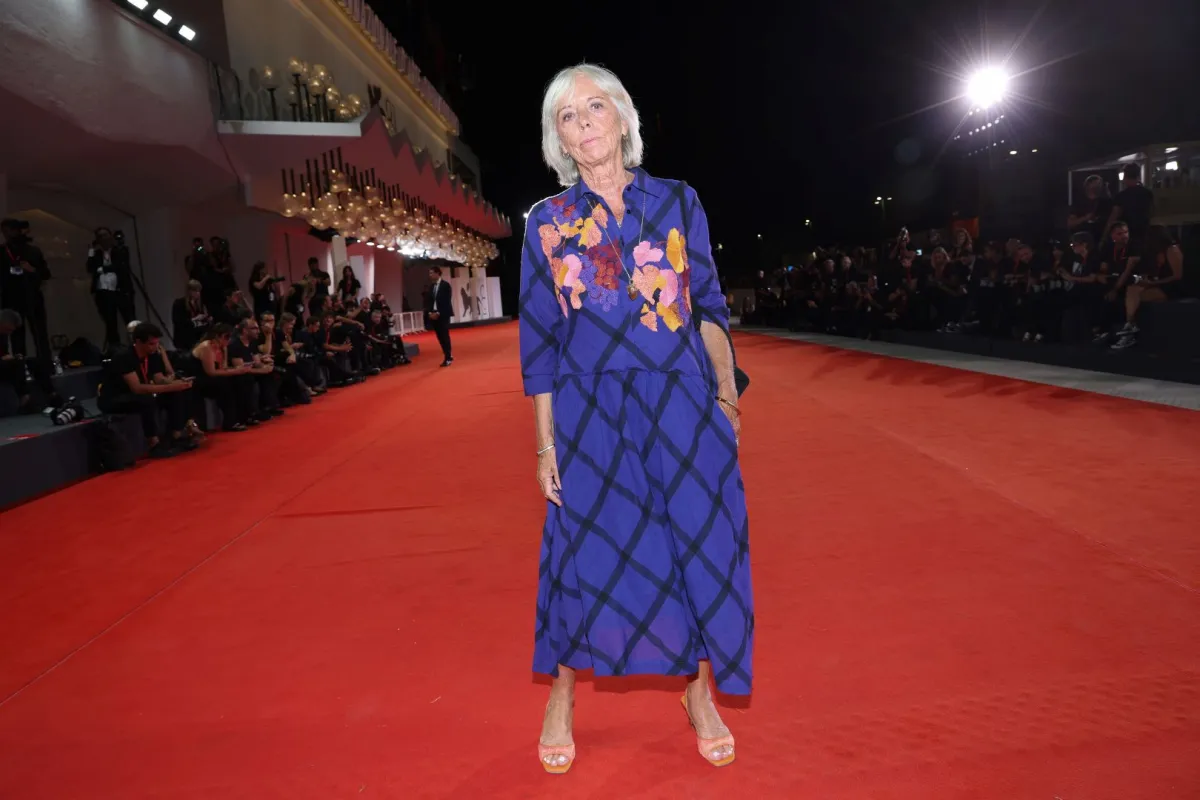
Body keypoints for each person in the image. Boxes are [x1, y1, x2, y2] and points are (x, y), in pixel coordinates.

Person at [519, 64, 752, 774]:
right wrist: (543, 446)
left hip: (682, 406)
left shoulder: (679, 201)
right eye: (567, 114)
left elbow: (709, 307)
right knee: (578, 554)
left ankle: (698, 693)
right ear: (557, 138)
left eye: (596, 106)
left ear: (622, 118)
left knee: (694, 545)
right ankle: (561, 695)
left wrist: (726, 399)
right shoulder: (546, 223)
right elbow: (540, 343)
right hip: (591, 415)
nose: (584, 120)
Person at [96, 323, 196, 458]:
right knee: (146, 399)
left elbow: (159, 378)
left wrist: (178, 383)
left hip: (136, 393)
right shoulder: (124, 357)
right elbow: (136, 388)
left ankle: (176, 435)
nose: (155, 347)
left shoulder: (152, 354)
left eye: (156, 343)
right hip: (114, 398)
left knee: (178, 392)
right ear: (138, 342)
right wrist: (170, 386)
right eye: (151, 344)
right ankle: (153, 444)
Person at [1111, 226, 1186, 350]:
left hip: (1173, 286)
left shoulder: (1172, 249)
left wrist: (1153, 283)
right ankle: (1130, 324)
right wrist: (1146, 279)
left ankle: (1130, 327)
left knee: (1140, 296)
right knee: (1132, 288)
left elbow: (1178, 276)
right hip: (1159, 283)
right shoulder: (1154, 252)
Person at [0, 218, 52, 360]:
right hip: (12, 299)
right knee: (16, 336)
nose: (6, 234)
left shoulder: (33, 251)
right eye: (4, 231)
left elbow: (46, 274)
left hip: (32, 297)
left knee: (39, 333)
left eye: (9, 230)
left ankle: (46, 366)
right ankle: (20, 368)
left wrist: (32, 270)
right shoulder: (2, 251)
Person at [191, 323, 254, 432]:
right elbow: (211, 372)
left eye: (229, 337)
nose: (228, 340)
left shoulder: (221, 347)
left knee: (241, 380)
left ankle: (244, 416)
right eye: (226, 337)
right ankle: (230, 422)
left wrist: (237, 369)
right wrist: (235, 371)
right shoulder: (207, 346)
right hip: (200, 378)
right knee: (226, 385)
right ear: (217, 336)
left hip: (214, 377)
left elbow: (223, 367)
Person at [87, 227, 136, 352]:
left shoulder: (120, 250)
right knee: (110, 323)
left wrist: (103, 269)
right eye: (100, 236)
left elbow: (120, 266)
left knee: (129, 320)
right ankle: (116, 350)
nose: (103, 238)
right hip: (104, 293)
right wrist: (91, 250)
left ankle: (136, 346)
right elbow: (90, 267)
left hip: (120, 291)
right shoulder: (97, 254)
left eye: (105, 235)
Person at [172, 279, 213, 351]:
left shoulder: (199, 304)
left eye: (199, 291)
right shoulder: (179, 303)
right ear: (189, 291)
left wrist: (207, 319)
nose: (198, 293)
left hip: (198, 338)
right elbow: (178, 321)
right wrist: (195, 319)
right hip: (184, 339)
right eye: (196, 291)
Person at [425, 266, 453, 366]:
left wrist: (438, 313)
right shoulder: (431, 287)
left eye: (432, 273)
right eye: (430, 273)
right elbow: (428, 301)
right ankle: (446, 354)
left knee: (444, 335)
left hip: (443, 314)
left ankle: (448, 356)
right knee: (440, 337)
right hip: (433, 315)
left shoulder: (446, 285)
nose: (430, 275)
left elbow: (447, 301)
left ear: (438, 273)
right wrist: (430, 313)